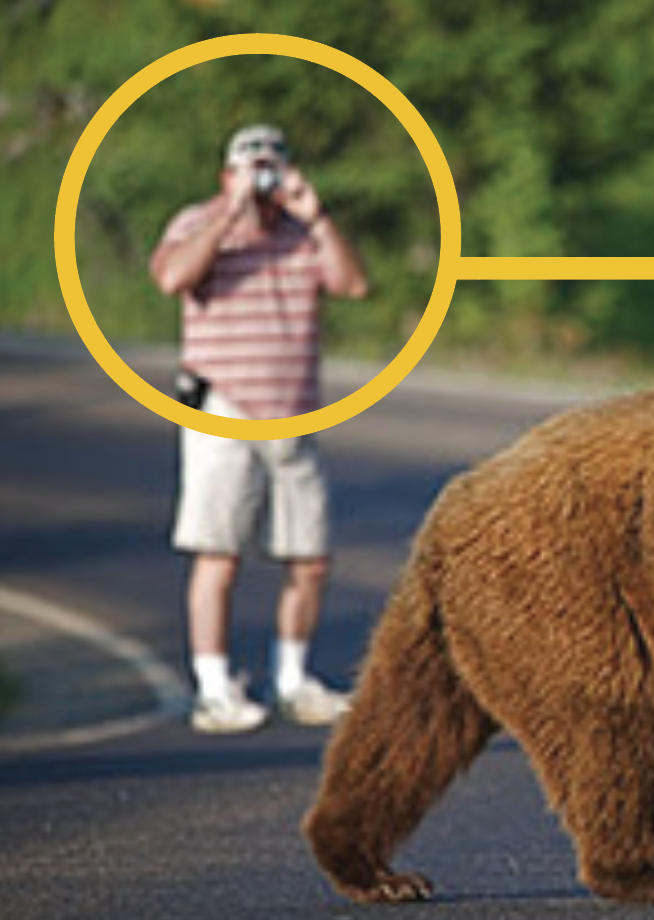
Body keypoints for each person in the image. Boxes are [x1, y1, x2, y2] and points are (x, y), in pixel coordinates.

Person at [150, 124, 369, 734]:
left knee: (311, 557)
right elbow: (172, 279)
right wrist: (230, 216)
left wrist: (318, 216)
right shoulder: (197, 222)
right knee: (219, 555)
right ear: (227, 174)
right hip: (224, 409)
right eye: (252, 167)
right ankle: (214, 689)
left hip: (294, 413)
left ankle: (293, 679)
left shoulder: (302, 231)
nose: (264, 179)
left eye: (273, 166)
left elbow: (353, 285)